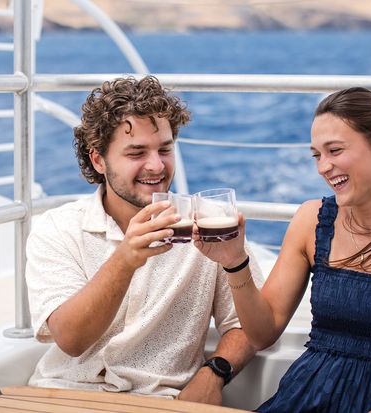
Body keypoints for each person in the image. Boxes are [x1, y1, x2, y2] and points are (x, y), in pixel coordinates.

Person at [192, 87, 371, 412]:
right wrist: (234, 261)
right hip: (303, 399)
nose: (323, 167)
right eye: (317, 155)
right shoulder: (311, 220)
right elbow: (262, 333)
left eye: (335, 150)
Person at [24, 75, 264, 404]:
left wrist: (214, 374)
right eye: (136, 153)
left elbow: (247, 325)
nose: (156, 165)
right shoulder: (58, 228)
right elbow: (71, 340)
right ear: (98, 160)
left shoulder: (209, 224)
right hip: (62, 395)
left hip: (159, 402)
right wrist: (124, 260)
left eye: (165, 149)